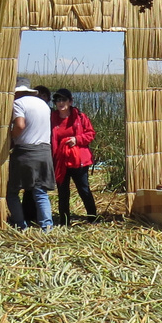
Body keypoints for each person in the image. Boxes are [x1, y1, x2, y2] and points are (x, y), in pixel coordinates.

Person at [6, 77, 55, 231]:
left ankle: (21, 225)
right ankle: (47, 226)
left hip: (25, 152)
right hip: (44, 152)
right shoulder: (43, 104)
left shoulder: (19, 103)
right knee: (40, 192)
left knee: (12, 191)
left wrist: (12, 137)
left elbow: (20, 125)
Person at [50, 88, 98, 225]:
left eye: (63, 99)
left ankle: (92, 218)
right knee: (62, 192)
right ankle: (64, 221)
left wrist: (77, 139)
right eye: (57, 100)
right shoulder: (52, 118)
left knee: (83, 189)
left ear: (70, 101)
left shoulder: (80, 117)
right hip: (61, 161)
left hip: (79, 161)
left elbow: (90, 134)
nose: (60, 103)